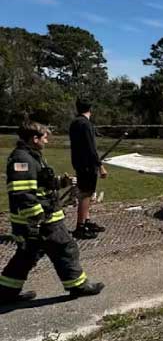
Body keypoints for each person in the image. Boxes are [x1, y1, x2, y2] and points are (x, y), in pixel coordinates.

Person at [0, 122, 104, 303]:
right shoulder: (22, 160)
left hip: (34, 221)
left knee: (26, 256)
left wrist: (60, 182)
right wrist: (38, 217)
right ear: (35, 139)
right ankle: (78, 286)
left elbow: (40, 182)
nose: (46, 141)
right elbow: (22, 192)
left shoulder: (31, 156)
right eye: (45, 137)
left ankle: (5, 293)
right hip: (41, 220)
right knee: (65, 248)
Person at [69, 98, 107, 240]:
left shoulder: (75, 123)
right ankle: (80, 227)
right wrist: (100, 166)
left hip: (79, 163)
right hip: (87, 165)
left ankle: (86, 221)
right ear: (90, 108)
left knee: (88, 193)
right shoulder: (86, 124)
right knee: (86, 195)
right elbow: (91, 148)